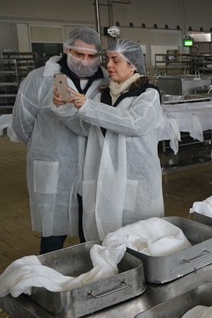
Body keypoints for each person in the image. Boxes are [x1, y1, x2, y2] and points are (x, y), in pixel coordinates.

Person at [11, 27, 105, 254]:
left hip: (92, 168)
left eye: (91, 56)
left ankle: (91, 273)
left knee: (90, 233)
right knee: (52, 236)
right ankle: (49, 273)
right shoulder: (41, 79)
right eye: (79, 54)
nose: (85, 61)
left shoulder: (106, 80)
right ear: (67, 50)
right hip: (54, 166)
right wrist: (45, 148)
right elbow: (22, 123)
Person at [62, 40, 166, 241]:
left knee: (138, 238)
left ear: (132, 65)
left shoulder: (148, 94)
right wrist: (64, 108)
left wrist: (89, 107)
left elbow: (135, 123)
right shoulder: (103, 95)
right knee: (105, 236)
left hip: (135, 180)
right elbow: (87, 128)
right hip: (103, 177)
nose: (108, 65)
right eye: (108, 59)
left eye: (115, 60)